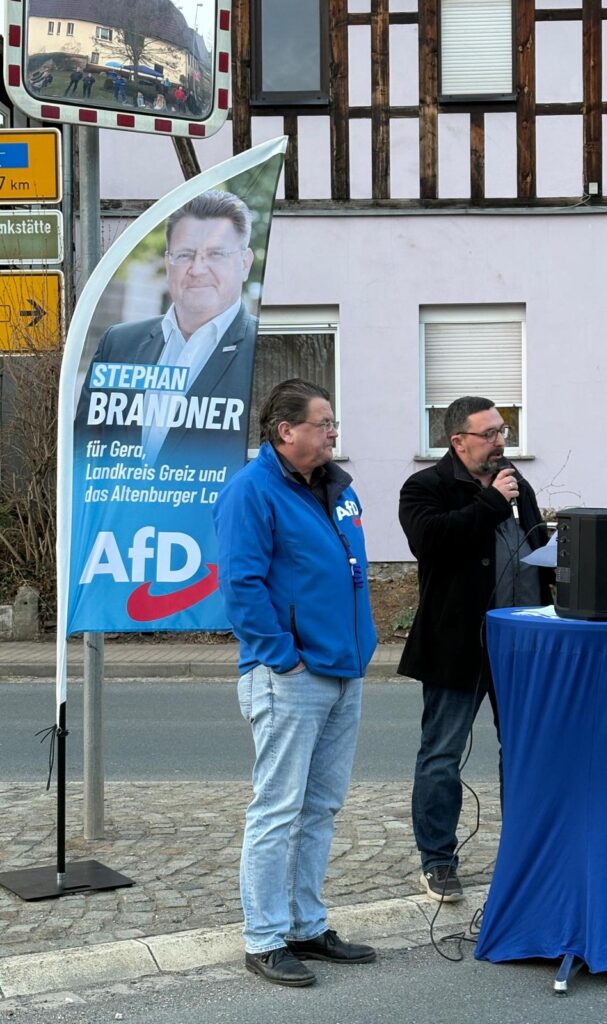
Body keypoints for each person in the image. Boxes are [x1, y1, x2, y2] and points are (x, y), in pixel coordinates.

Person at [214, 378, 378, 988]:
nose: (333, 432)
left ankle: (306, 925)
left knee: (321, 808)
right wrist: (283, 657)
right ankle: (263, 939)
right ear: (286, 431)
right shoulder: (251, 492)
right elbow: (241, 587)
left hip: (342, 670)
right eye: (323, 423)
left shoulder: (335, 487)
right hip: (291, 675)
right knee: (278, 810)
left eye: (332, 422)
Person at [398, 396, 552, 903]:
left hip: (521, 644)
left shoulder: (517, 483)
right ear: (457, 440)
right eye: (489, 433)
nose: (500, 441)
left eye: (503, 431)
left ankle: (524, 854)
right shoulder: (425, 487)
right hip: (458, 645)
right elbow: (433, 541)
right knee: (442, 755)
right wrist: (489, 503)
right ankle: (438, 860)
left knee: (525, 753)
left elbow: (535, 546)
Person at [77, 189, 257, 467]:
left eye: (216, 254)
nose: (197, 269)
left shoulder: (265, 348)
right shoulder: (119, 345)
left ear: (244, 263)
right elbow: (84, 453)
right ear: (167, 263)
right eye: (185, 255)